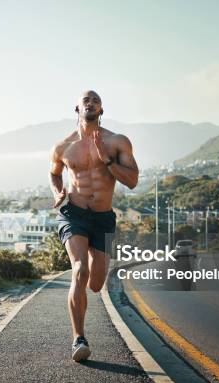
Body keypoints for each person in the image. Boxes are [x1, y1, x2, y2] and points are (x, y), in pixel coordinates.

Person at [49, 90, 139, 361]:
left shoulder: (117, 141)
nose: (90, 103)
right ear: (76, 108)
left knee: (97, 283)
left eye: (96, 100)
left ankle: (85, 296)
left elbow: (132, 180)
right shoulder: (63, 146)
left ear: (102, 109)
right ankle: (79, 339)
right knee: (79, 270)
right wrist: (58, 192)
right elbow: (54, 174)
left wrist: (106, 158)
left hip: (103, 218)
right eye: (86, 100)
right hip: (73, 213)